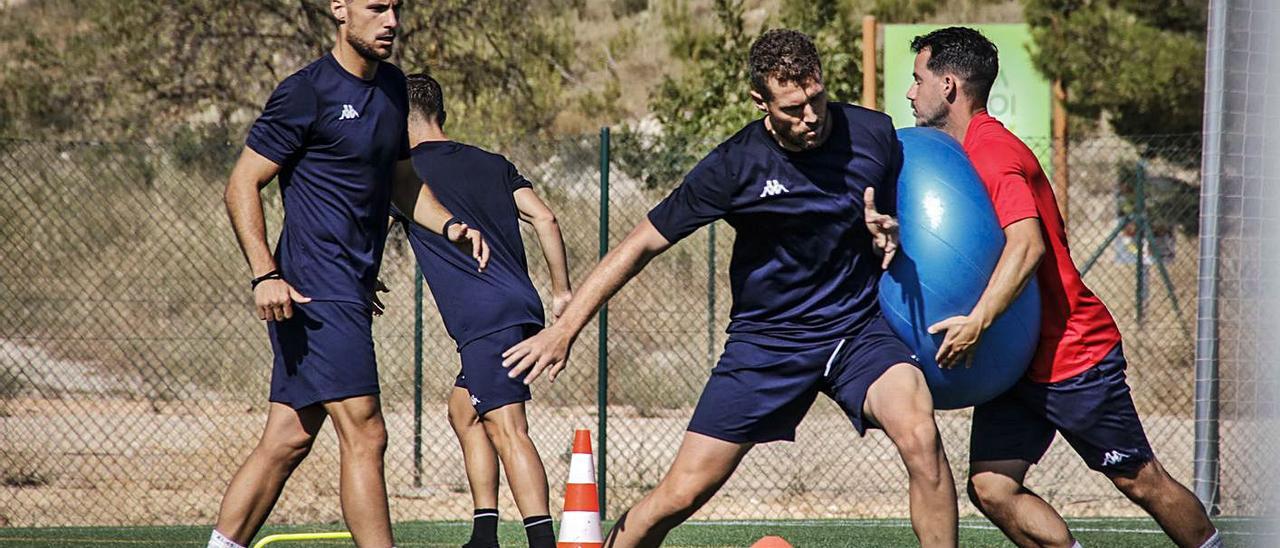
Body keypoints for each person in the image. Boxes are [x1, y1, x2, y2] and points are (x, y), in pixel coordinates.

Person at [502, 29, 958, 548]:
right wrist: (565, 328)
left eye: (816, 98)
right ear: (759, 101)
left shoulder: (873, 133)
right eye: (792, 108)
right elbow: (638, 246)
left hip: (855, 332)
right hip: (767, 343)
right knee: (681, 494)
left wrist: (886, 233)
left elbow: (920, 215)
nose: (810, 117)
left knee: (921, 436)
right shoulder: (734, 166)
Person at [905, 26, 1221, 548]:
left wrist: (977, 321)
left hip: (1070, 354)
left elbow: (1026, 246)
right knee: (992, 487)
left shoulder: (991, 151)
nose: (911, 91)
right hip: (1015, 362)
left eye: (919, 79)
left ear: (950, 86)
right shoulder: (957, 155)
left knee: (1139, 480)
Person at [209, 2, 488, 547]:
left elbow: (403, 186)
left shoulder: (391, 90)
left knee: (287, 437)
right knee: (366, 431)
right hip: (312, 288)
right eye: (376, 8)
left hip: (350, 289)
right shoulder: (305, 92)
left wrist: (451, 225)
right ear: (340, 8)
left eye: (396, 9)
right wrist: (264, 274)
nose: (391, 21)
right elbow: (242, 184)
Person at [392, 73, 572, 548]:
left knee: (509, 427)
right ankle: (484, 535)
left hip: (484, 320)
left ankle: (541, 542)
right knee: (463, 411)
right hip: (521, 307)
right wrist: (561, 291)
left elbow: (363, 232)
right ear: (442, 114)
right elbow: (545, 218)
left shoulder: (402, 173)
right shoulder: (492, 163)